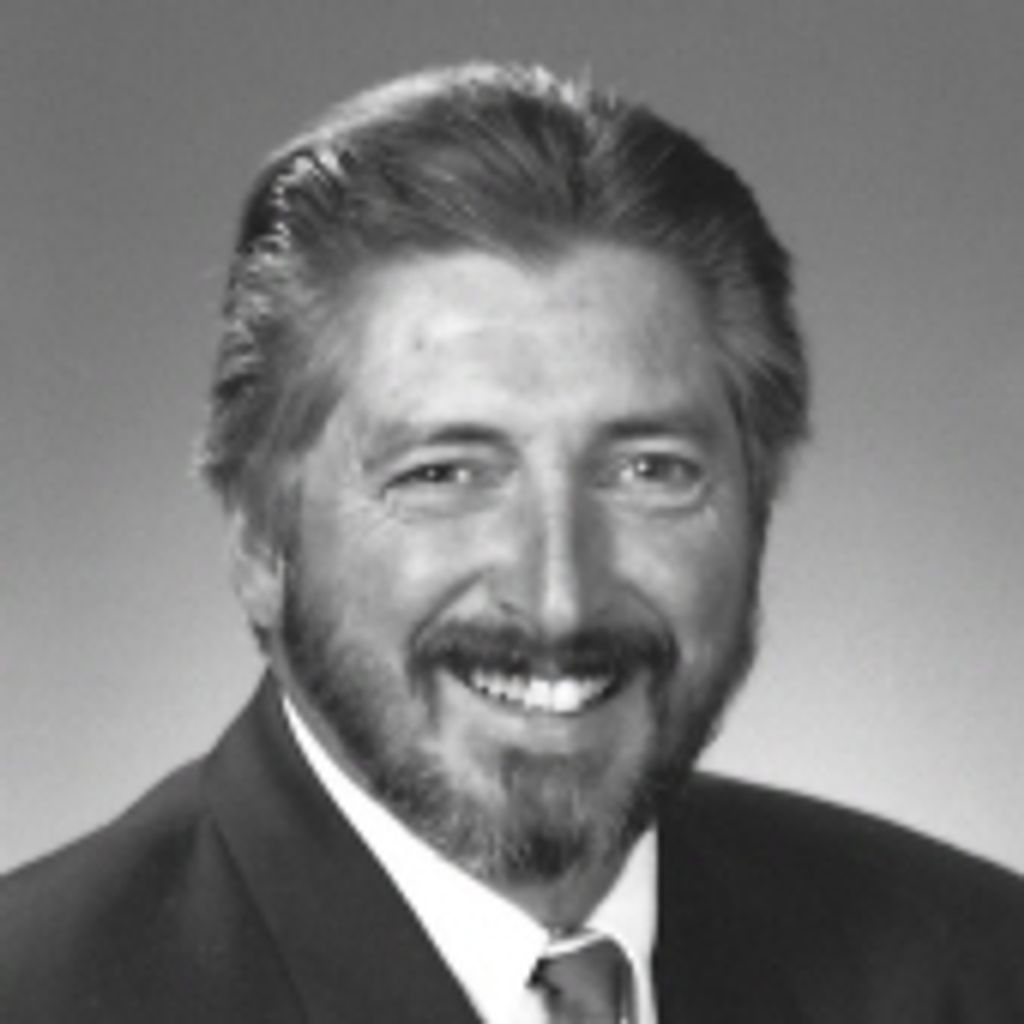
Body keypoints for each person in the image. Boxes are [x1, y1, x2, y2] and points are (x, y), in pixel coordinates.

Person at [1, 62, 1022, 1024]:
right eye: (443, 474)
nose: (560, 599)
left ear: (761, 499)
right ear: (260, 538)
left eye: (649, 470)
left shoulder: (981, 966)